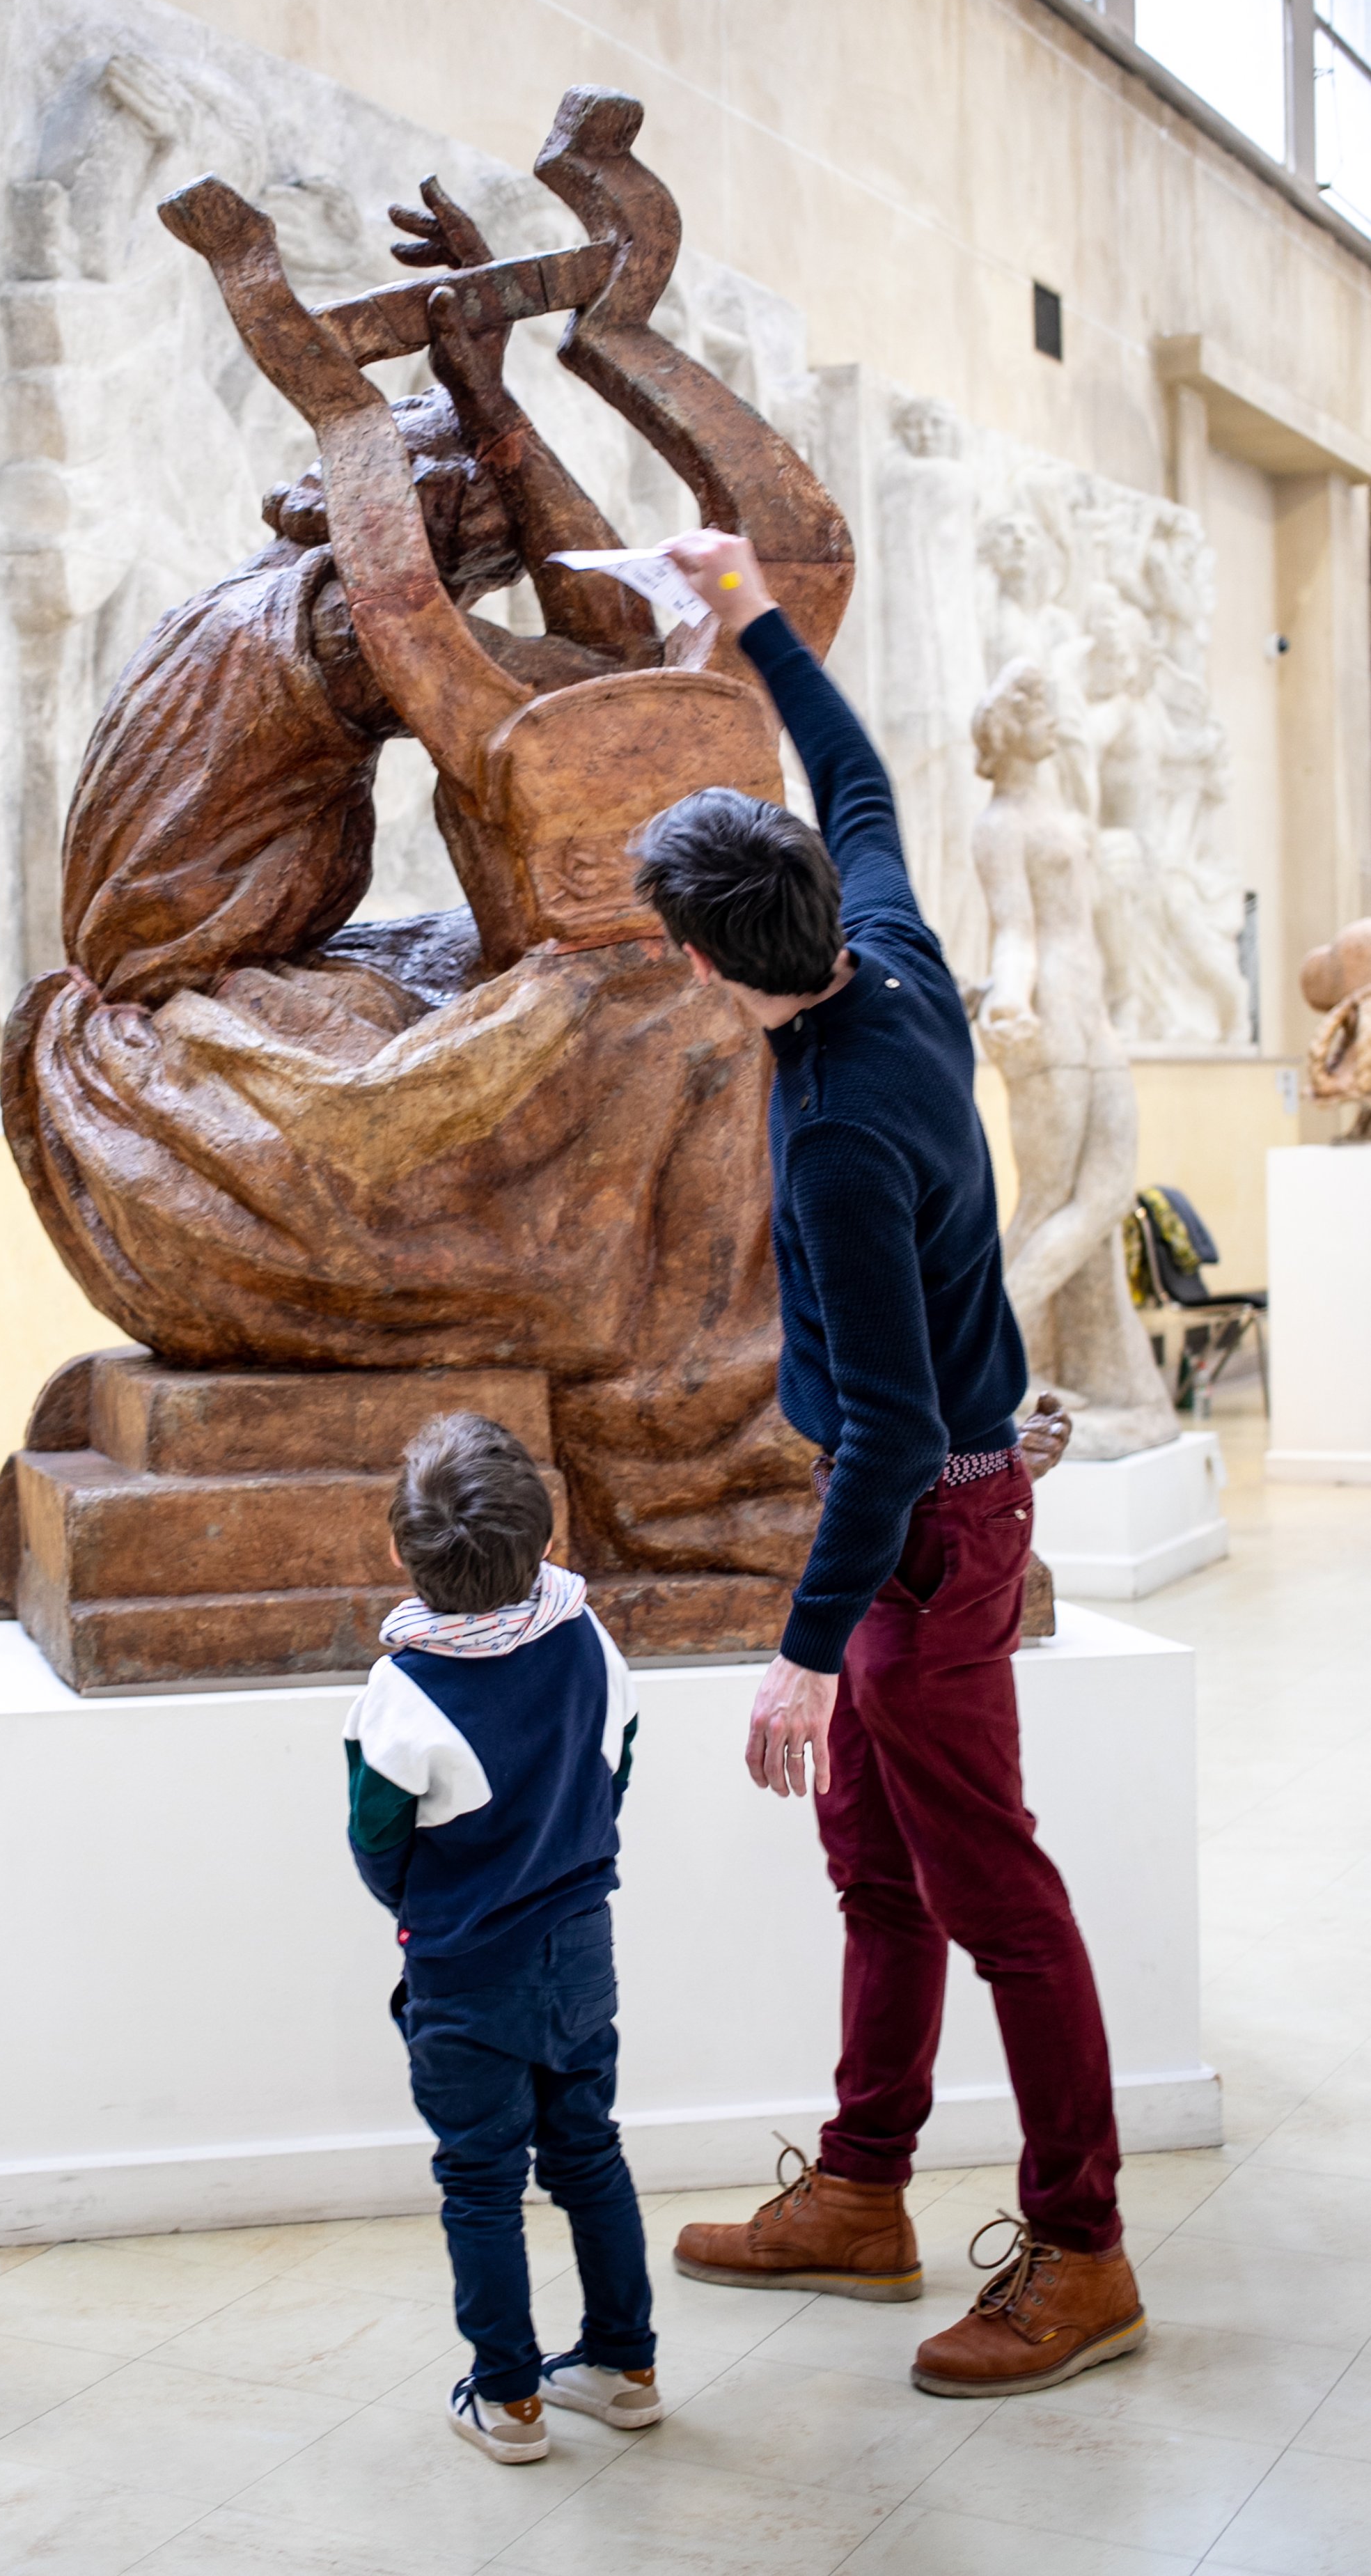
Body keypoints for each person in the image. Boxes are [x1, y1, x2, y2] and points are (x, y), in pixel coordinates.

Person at [632, 530, 1145, 2401]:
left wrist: (796, 1650)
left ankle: (1082, 2248)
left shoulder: (842, 1132)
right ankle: (862, 2186)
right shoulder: (887, 944)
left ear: (696, 961)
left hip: (927, 1531)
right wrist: (749, 610)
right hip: (918, 1523)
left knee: (993, 1890)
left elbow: (897, 1440)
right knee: (876, 1868)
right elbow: (853, 776)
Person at [344, 1411, 664, 2462]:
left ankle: (509, 2399)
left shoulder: (401, 1690)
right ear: (542, 1536)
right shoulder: (586, 1633)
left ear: (397, 1550)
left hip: (465, 1970)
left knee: (480, 2182)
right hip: (580, 1944)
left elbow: (376, 1840)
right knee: (589, 2154)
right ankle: (624, 2367)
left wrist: (425, 1909)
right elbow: (615, 1767)